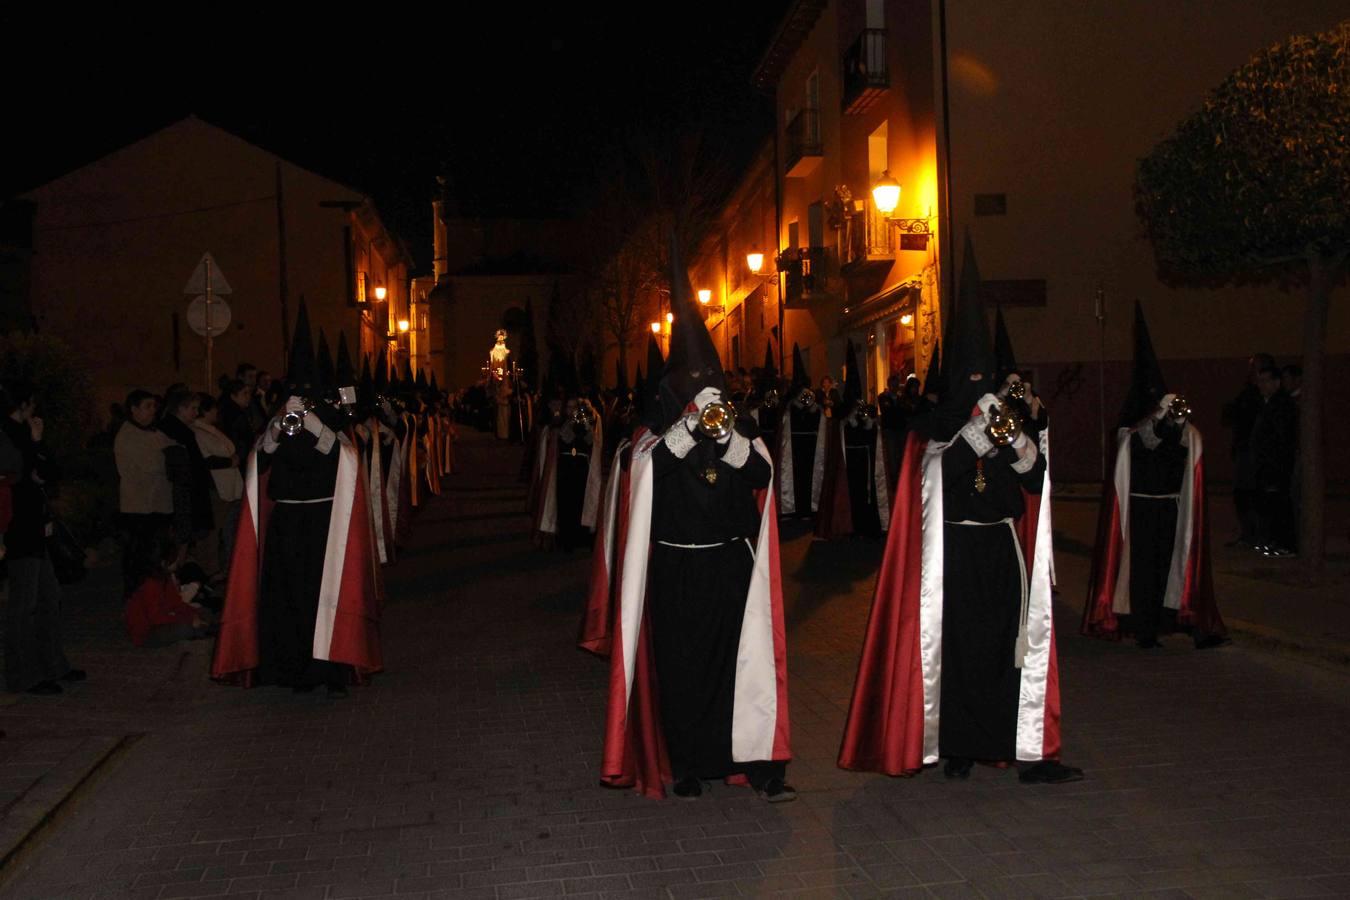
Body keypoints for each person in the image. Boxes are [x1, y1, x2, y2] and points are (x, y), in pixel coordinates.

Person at [838, 235, 1077, 784]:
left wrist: (1018, 445)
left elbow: (1036, 480)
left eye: (983, 380)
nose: (978, 389)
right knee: (960, 648)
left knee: (1005, 648)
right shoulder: (934, 427)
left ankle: (1013, 744)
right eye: (969, 381)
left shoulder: (1011, 418)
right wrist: (971, 437)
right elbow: (925, 478)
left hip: (998, 545)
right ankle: (959, 747)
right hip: (951, 553)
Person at [598, 237, 792, 801]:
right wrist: (686, 429)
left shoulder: (740, 427)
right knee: (682, 671)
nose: (707, 394)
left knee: (740, 664)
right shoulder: (653, 436)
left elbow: (760, 476)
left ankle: (749, 759)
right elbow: (645, 472)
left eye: (713, 384)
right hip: (677, 570)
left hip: (731, 565)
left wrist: (727, 433)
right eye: (695, 385)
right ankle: (685, 763)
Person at [211, 301, 381, 695]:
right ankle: (287, 667)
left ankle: (329, 669)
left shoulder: (332, 420)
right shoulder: (278, 415)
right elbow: (260, 458)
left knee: (322, 598)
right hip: (287, 523)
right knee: (285, 597)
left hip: (323, 524)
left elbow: (346, 460)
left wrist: (316, 425)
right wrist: (276, 428)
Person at [1082, 301, 1228, 649]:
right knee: (1144, 571)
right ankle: (1144, 628)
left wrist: (1177, 423)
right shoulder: (1131, 432)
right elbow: (1140, 443)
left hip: (1172, 509)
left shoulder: (1182, 431)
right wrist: (1158, 422)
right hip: (1142, 511)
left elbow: (1188, 448)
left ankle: (1181, 620)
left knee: (1172, 567)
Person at [2, 383, 83, 695]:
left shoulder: (21, 433)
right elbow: (20, 472)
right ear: (24, 405)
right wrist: (34, 447)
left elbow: (48, 471)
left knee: (49, 597)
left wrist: (37, 449)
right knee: (24, 605)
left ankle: (52, 664)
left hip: (34, 525)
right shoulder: (8, 434)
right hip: (19, 528)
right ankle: (21, 675)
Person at [114, 390, 177, 593]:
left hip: (156, 504)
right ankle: (137, 597)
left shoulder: (153, 432)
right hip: (140, 506)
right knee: (139, 556)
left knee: (155, 554)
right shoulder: (128, 435)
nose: (152, 411)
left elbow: (172, 449)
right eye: (147, 406)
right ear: (134, 409)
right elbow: (154, 463)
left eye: (154, 406)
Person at [125, 532, 216, 647]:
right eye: (174, 559)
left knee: (204, 612)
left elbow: (176, 604)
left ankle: (203, 628)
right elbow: (156, 618)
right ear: (163, 562)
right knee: (184, 629)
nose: (178, 561)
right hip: (147, 632)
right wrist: (188, 619)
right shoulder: (149, 584)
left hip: (163, 621)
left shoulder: (165, 578)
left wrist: (193, 614)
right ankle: (202, 630)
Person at [1222, 352, 1275, 546]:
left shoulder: (1263, 397)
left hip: (1254, 452)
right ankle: (1250, 533)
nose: (1251, 372)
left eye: (1255, 367)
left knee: (1252, 494)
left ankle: (1257, 535)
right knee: (1243, 494)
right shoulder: (1249, 392)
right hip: (1245, 449)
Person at [192, 394, 242, 578]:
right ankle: (209, 568)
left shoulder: (210, 430)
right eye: (214, 409)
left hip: (228, 484)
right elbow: (207, 460)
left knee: (226, 529)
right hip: (217, 486)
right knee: (213, 532)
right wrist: (229, 461)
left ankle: (222, 567)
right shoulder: (197, 432)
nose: (217, 412)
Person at [1249, 365, 1297, 556]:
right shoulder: (1266, 403)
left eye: (1266, 380)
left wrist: (1273, 462)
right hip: (1266, 464)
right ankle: (1273, 541)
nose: (1261, 385)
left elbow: (1280, 438)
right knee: (1268, 504)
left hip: (1276, 464)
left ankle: (1285, 544)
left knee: (1280, 504)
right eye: (1259, 381)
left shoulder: (1282, 404)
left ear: (1276, 382)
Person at [776, 344, 820, 518]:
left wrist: (812, 407)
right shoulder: (789, 404)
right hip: (795, 446)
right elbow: (784, 421)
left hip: (810, 445)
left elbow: (820, 420)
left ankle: (809, 506)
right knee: (797, 477)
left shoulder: (814, 405)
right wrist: (795, 405)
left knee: (810, 476)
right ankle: (796, 507)